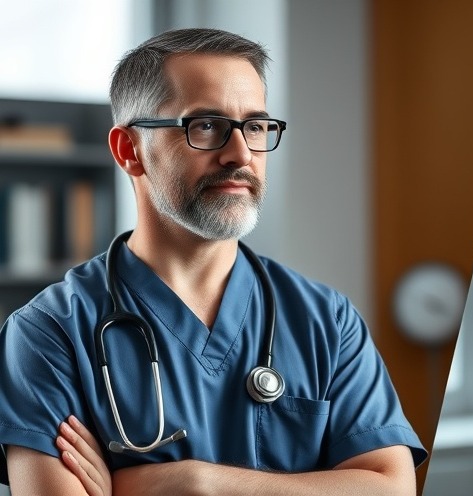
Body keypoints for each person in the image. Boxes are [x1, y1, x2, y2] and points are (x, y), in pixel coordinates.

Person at [0, 27, 427, 495]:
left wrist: (194, 482)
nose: (241, 154)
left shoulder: (326, 320)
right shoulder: (48, 334)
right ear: (130, 150)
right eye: (205, 126)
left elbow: (390, 487)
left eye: (256, 126)